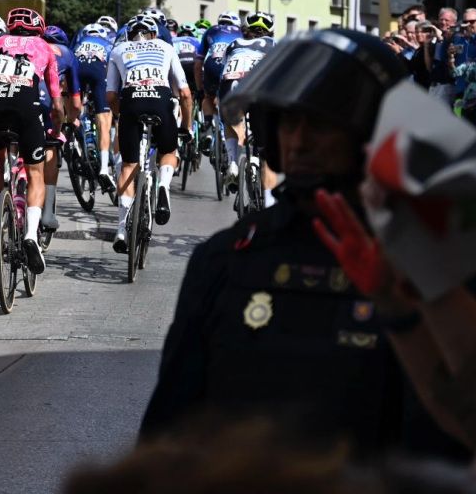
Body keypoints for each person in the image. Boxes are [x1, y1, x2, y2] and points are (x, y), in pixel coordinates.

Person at [141, 29, 445, 456]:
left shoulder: (429, 259)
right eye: (288, 121)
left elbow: (466, 433)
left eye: (320, 125)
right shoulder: (225, 258)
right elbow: (167, 429)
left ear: (371, 131)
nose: (298, 141)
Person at [0, 7, 62, 273]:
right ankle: (30, 236)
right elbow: (56, 102)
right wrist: (56, 130)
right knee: (35, 172)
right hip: (26, 108)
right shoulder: (44, 47)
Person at [106, 15, 191, 253]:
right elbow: (185, 93)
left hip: (131, 101)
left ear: (129, 35)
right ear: (154, 34)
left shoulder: (118, 50)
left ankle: (121, 229)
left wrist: (122, 114)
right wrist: (186, 127)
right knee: (168, 151)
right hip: (161, 100)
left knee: (128, 165)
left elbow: (110, 96)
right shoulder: (166, 47)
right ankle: (163, 186)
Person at [217, 11, 276, 201]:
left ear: (245, 30)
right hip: (258, 87)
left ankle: (233, 163)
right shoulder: (273, 44)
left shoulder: (233, 44)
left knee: (230, 123)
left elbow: (221, 72)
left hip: (230, 84)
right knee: (266, 142)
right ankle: (268, 198)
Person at [40, 24, 81, 232]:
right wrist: (71, 120)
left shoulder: (28, 45)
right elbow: (75, 102)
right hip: (46, 101)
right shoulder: (66, 53)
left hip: (12, 99)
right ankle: (47, 212)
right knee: (51, 147)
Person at [73, 22, 117, 191]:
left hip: (78, 68)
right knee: (104, 120)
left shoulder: (79, 41)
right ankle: (104, 169)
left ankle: (75, 140)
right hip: (99, 70)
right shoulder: (108, 43)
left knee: (75, 106)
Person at [196, 11, 242, 155]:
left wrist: (200, 89)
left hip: (212, 65)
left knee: (208, 98)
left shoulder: (211, 30)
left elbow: (198, 63)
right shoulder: (241, 32)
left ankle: (209, 127)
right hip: (231, 67)